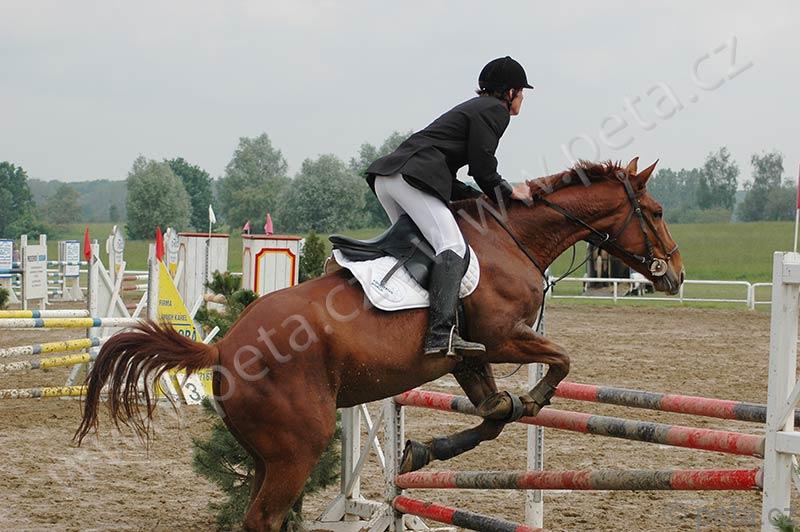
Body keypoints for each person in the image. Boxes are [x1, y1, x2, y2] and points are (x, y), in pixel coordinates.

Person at [365, 56, 534, 357]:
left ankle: (395, 319)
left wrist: (477, 198)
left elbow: (449, 176)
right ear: (509, 92)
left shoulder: (472, 108)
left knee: (415, 249)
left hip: (388, 179)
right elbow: (483, 169)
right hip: (411, 178)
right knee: (452, 247)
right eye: (521, 92)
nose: (522, 98)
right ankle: (440, 335)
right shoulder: (495, 110)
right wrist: (508, 194)